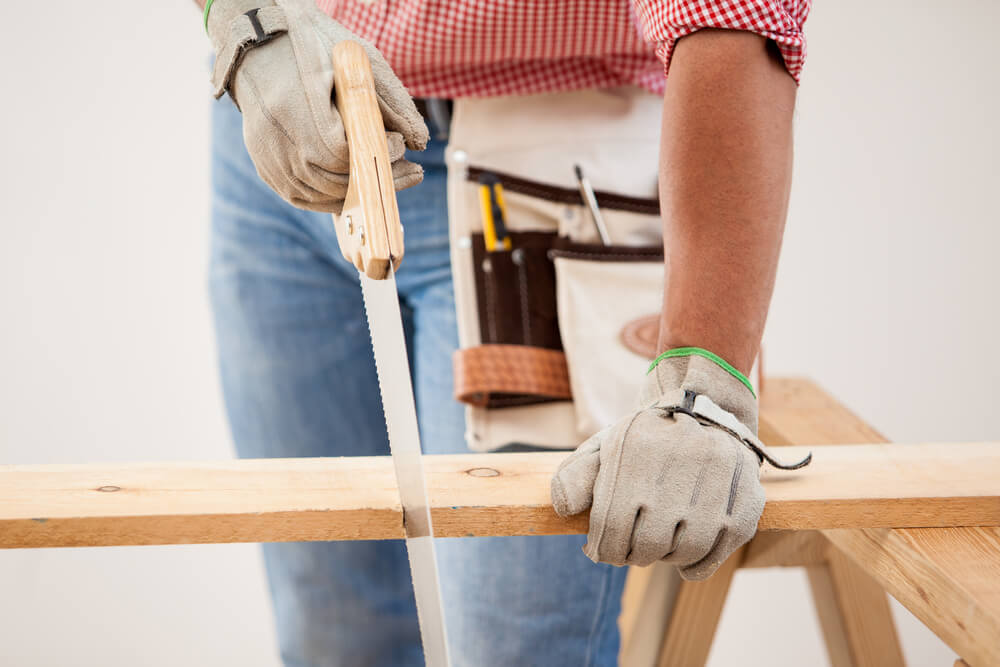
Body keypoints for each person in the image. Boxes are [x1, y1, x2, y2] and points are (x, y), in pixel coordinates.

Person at [198, 0, 808, 664]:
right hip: (287, 110)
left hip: (543, 156)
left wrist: (704, 373)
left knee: (515, 651)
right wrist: (245, 19)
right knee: (337, 631)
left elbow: (733, 16)